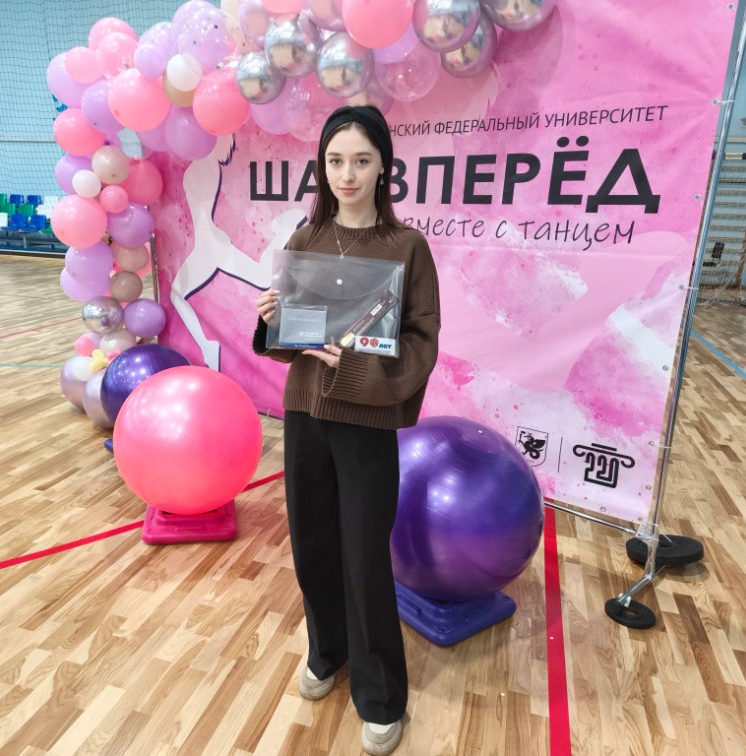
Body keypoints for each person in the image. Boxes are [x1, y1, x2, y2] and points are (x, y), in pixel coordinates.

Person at [252, 105, 441, 756]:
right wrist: (274, 320)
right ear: (322, 166)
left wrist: (357, 365)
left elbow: (421, 344)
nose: (348, 174)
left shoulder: (407, 246)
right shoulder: (306, 237)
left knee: (364, 559)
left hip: (364, 424)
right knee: (312, 547)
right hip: (305, 415)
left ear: (384, 166)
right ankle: (327, 651)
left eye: (362, 160)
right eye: (336, 160)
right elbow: (291, 342)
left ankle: (381, 695)